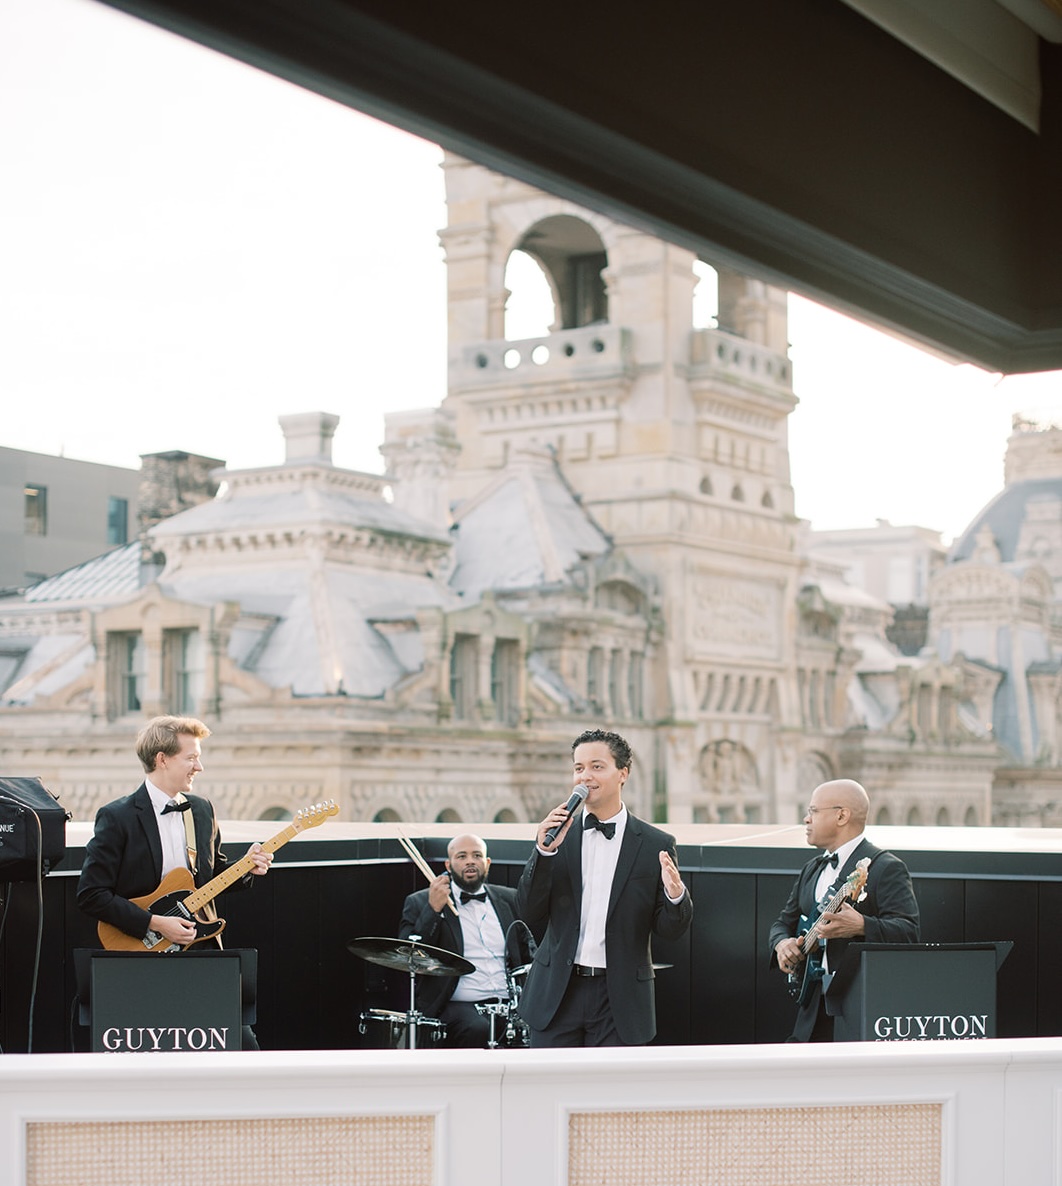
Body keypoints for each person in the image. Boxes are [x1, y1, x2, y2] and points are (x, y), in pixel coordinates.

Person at [77, 716, 273, 1044]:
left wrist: (246, 868)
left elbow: (210, 877)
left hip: (200, 950)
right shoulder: (117, 817)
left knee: (241, 1044)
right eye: (191, 757)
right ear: (162, 759)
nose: (199, 767)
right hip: (141, 955)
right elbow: (91, 894)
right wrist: (155, 923)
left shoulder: (202, 810)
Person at [515, 728, 693, 1047]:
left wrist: (675, 895)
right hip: (557, 993)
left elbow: (669, 930)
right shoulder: (558, 836)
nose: (585, 776)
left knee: (611, 1082)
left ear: (623, 773)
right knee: (548, 1078)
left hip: (620, 998)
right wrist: (543, 852)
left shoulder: (655, 843)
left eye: (597, 766)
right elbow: (529, 910)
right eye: (578, 768)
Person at [768, 777, 919, 1042]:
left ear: (841, 816)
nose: (806, 819)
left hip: (861, 1008)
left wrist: (862, 925)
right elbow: (782, 923)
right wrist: (782, 944)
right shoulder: (812, 868)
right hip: (811, 1009)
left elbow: (909, 932)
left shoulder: (886, 867)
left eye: (813, 811)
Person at [398, 832, 528, 1047]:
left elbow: (528, 952)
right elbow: (412, 955)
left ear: (487, 863)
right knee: (478, 1029)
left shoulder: (510, 898)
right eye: (462, 856)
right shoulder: (420, 901)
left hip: (510, 1002)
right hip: (459, 1003)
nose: (470, 861)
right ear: (448, 865)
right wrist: (433, 910)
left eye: (477, 855)